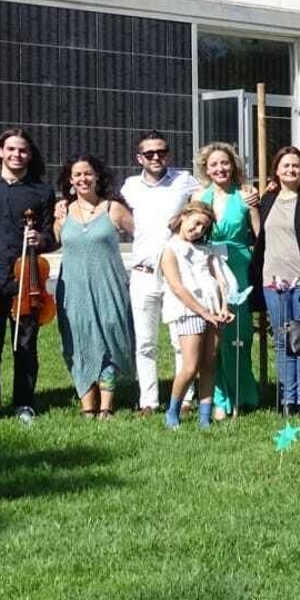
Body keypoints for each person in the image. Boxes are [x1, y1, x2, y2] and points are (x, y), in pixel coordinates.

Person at [0, 128, 56, 424]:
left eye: (23, 150)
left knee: (26, 344)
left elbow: (50, 236)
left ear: (31, 155)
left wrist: (39, 240)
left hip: (26, 276)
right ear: (0, 152)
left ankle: (24, 403)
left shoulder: (42, 191)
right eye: (12, 149)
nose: (17, 155)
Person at [120, 131, 199, 417]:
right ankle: (148, 401)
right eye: (149, 153)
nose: (156, 157)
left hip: (176, 274)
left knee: (180, 339)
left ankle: (186, 397)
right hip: (143, 273)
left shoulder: (184, 180)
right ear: (139, 157)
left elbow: (209, 198)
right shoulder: (129, 186)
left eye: (161, 152)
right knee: (144, 342)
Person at [51, 155, 135, 419]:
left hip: (109, 287)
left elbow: (144, 237)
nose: (83, 179)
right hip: (73, 290)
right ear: (70, 180)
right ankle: (87, 406)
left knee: (109, 340)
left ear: (97, 176)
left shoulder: (114, 209)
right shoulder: (62, 213)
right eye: (77, 175)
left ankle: (106, 406)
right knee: (78, 342)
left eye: (88, 173)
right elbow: (54, 241)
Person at [251, 145, 300, 416]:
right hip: (272, 281)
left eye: (296, 165)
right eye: (285, 165)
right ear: (277, 170)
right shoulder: (268, 198)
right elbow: (261, 235)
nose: (291, 170)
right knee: (282, 341)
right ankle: (288, 399)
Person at [195, 141, 261, 419]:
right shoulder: (200, 198)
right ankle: (220, 398)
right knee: (214, 335)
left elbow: (259, 234)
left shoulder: (244, 196)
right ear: (206, 170)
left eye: (225, 163)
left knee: (239, 334)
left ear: (233, 166)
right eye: (214, 165)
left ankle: (244, 394)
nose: (220, 168)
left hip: (238, 267)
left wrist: (255, 207)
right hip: (209, 268)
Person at [160, 202, 235, 430]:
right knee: (190, 366)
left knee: (209, 364)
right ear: (184, 216)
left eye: (204, 227)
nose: (199, 230)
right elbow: (178, 288)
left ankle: (205, 415)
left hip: (212, 309)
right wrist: (202, 312)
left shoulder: (207, 250)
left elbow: (221, 280)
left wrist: (223, 306)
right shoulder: (170, 250)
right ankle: (173, 410)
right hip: (189, 311)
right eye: (196, 223)